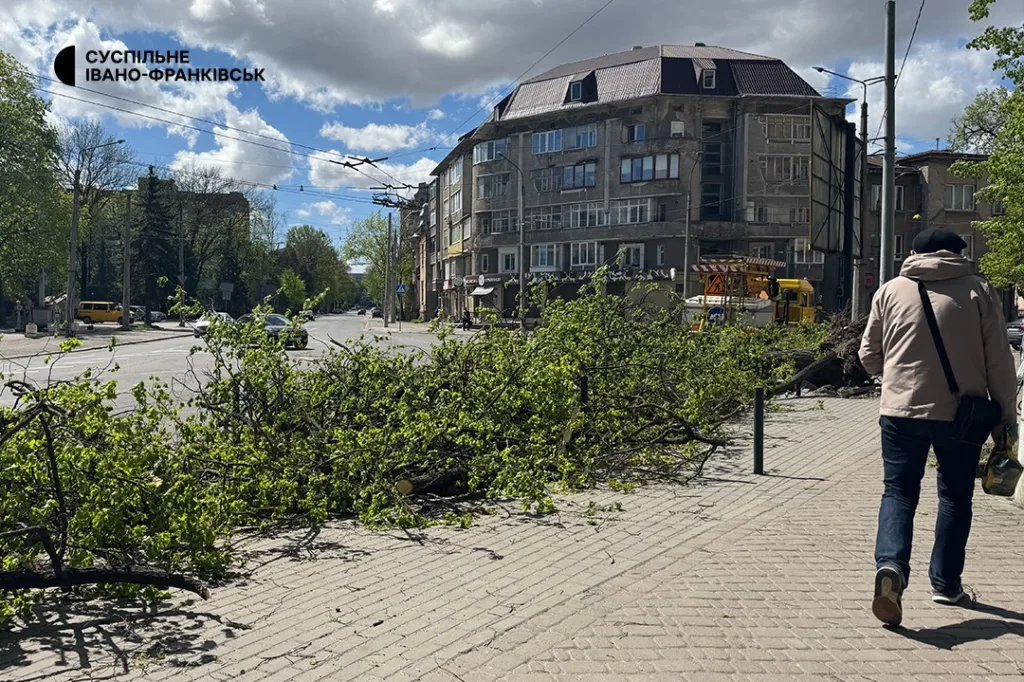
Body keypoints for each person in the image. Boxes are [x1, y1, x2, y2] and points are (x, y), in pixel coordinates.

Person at [859, 227, 1017, 627]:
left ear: (913, 251)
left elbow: (867, 355)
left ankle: (892, 567)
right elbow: (998, 358)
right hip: (961, 416)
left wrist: (894, 376)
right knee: (954, 496)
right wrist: (1005, 417)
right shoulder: (979, 290)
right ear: (959, 253)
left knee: (898, 492)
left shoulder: (891, 290)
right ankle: (946, 584)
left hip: (899, 413)